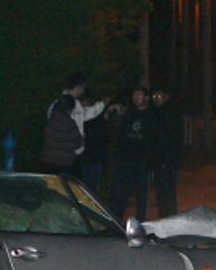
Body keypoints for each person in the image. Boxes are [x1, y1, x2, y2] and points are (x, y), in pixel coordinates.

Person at [110, 86, 156, 222]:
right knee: (121, 193)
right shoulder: (128, 114)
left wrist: (151, 159)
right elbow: (120, 136)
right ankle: (116, 221)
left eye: (139, 95)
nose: (136, 97)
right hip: (125, 160)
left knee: (141, 195)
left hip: (142, 161)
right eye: (134, 95)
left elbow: (154, 139)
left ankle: (141, 223)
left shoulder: (151, 115)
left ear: (146, 98)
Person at [48, 73, 107, 160]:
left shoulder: (73, 103)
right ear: (77, 87)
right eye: (82, 88)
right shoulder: (62, 104)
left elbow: (86, 114)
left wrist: (102, 104)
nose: (83, 91)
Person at [150, 88, 184, 218]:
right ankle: (165, 214)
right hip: (159, 159)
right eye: (154, 96)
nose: (156, 98)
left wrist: (169, 158)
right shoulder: (155, 113)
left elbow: (171, 138)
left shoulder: (170, 113)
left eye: (159, 96)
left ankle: (170, 215)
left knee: (168, 189)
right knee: (161, 190)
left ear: (166, 97)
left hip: (168, 159)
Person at [39, 95, 82, 175]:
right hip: (64, 162)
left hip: (47, 160)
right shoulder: (69, 123)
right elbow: (78, 143)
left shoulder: (49, 119)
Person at [77, 92, 110, 194]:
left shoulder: (96, 118)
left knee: (93, 190)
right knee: (82, 188)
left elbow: (102, 138)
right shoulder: (80, 117)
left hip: (95, 158)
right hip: (83, 159)